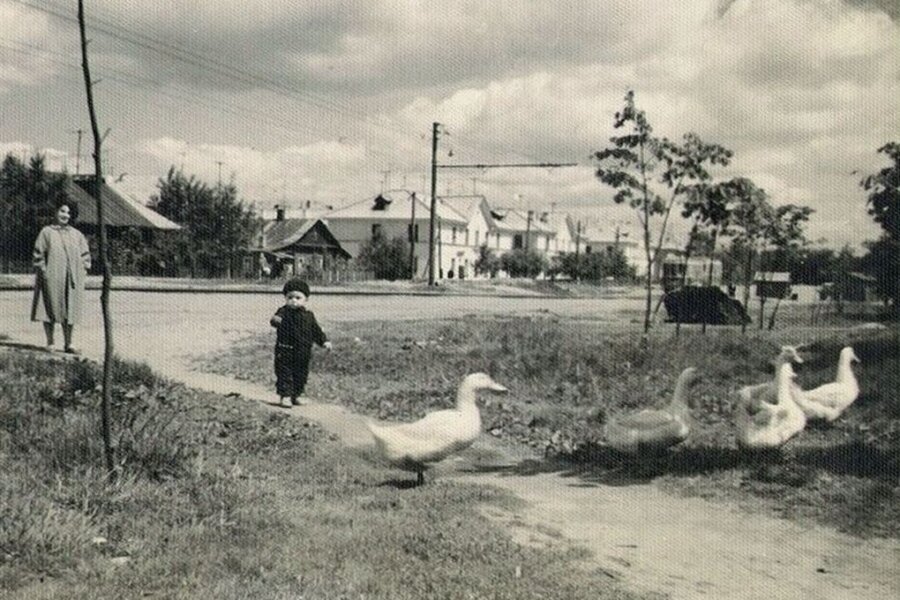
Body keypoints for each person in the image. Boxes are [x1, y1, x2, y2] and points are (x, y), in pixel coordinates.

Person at [31, 200, 92, 353]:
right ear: (55, 212)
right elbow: (38, 254)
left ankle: (69, 343)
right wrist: (44, 271)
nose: (65, 215)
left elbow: (85, 256)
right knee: (48, 307)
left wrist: (83, 271)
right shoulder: (46, 232)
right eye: (62, 211)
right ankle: (50, 342)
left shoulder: (77, 235)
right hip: (51, 277)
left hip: (72, 279)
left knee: (70, 309)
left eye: (69, 212)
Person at [270, 278, 332, 407]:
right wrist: (276, 320)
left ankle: (296, 394)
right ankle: (285, 395)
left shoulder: (308, 316)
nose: (293, 300)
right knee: (285, 373)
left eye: (298, 298)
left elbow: (316, 330)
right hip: (285, 349)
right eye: (290, 297)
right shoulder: (283, 312)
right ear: (285, 298)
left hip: (303, 351)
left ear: (305, 300)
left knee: (301, 374)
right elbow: (275, 320)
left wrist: (324, 341)